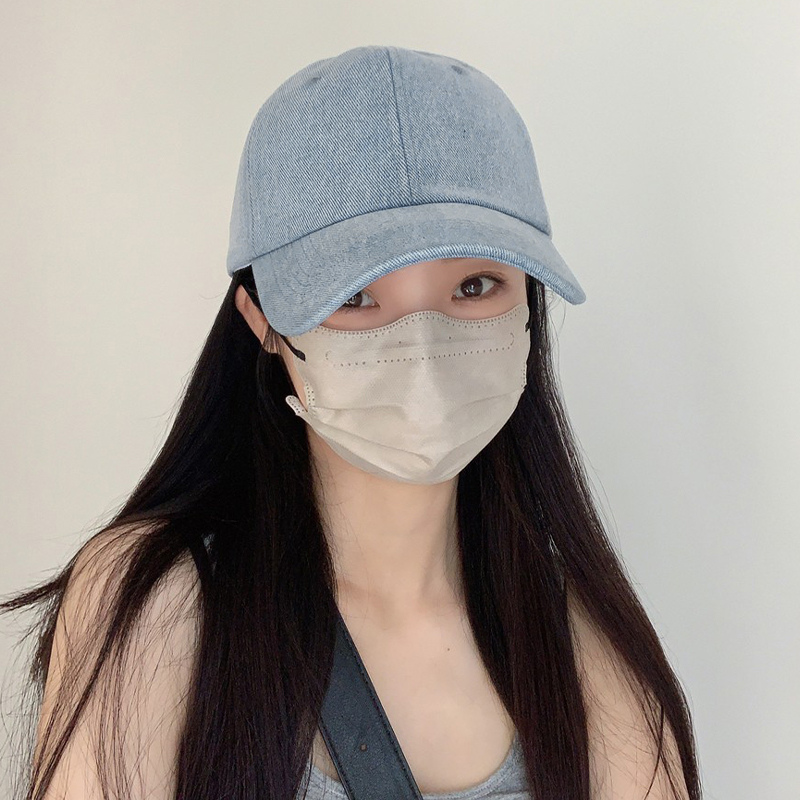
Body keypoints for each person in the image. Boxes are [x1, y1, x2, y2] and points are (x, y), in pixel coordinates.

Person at [0, 46, 702, 800]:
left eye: (475, 284)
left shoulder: (583, 644)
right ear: (263, 322)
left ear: (527, 302)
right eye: (356, 296)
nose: (423, 349)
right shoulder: (159, 603)